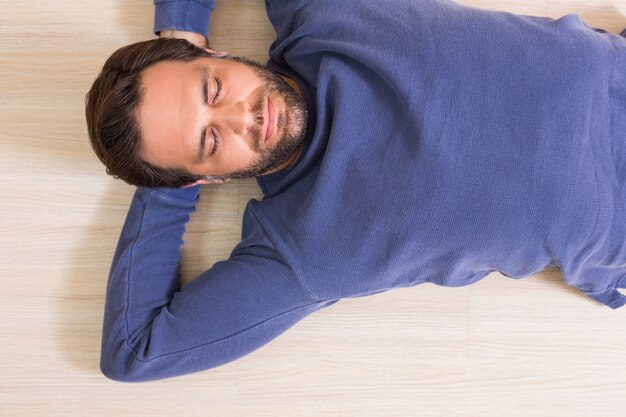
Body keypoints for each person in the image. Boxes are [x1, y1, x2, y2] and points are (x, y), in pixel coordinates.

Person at [85, 0, 626, 382]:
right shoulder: (299, 251)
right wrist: (170, 182)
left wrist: (180, 27)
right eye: (208, 140)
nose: (242, 117)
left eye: (214, 88)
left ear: (220, 55)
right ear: (208, 177)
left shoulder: (322, 15)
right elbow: (134, 352)